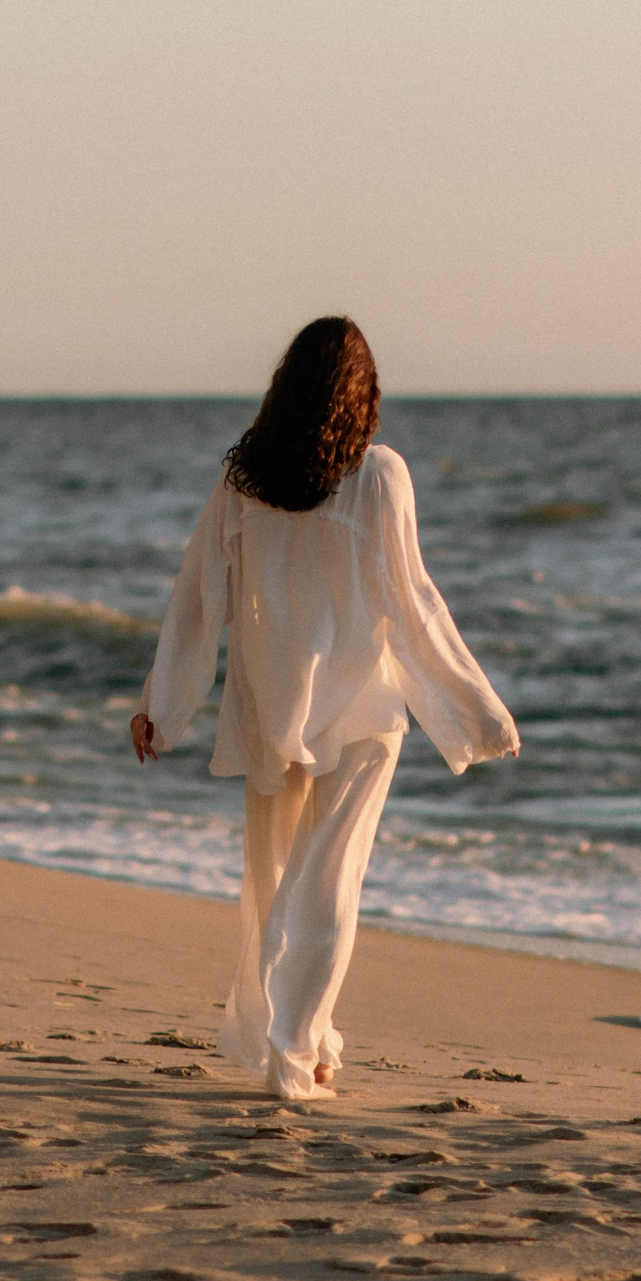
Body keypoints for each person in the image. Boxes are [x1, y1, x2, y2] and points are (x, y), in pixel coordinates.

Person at [130, 316, 519, 1099]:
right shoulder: (379, 476)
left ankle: (311, 1039)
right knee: (327, 884)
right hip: (363, 713)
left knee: (278, 880)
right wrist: (476, 713)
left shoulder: (247, 479)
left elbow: (198, 595)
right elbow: (413, 608)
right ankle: (292, 1051)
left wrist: (163, 706)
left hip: (272, 705)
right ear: (362, 396)